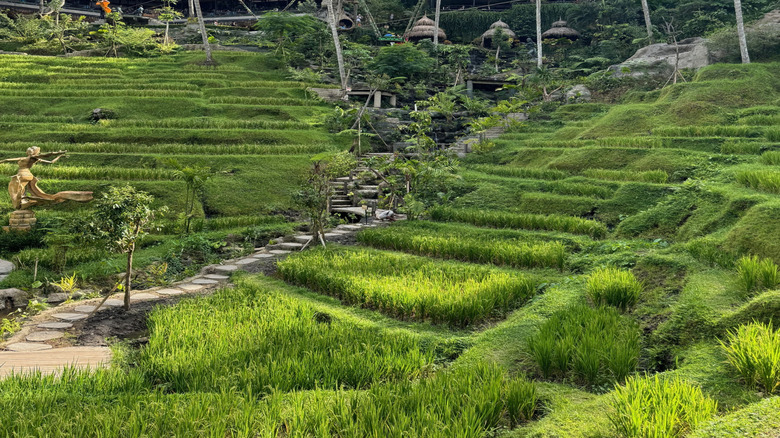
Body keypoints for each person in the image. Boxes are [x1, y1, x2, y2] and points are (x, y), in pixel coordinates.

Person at [0, 148, 92, 210]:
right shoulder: (34, 158)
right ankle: (27, 201)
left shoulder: (29, 157)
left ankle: (21, 203)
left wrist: (58, 153)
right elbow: (51, 161)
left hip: (22, 174)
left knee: (16, 192)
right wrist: (59, 155)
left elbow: (7, 160)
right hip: (29, 175)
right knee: (26, 191)